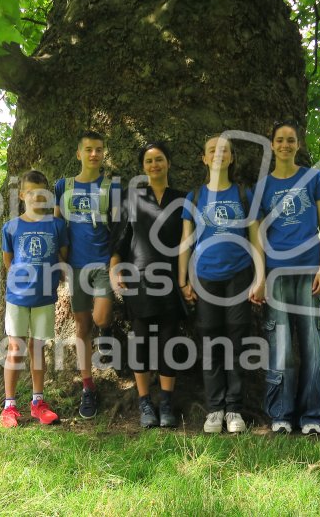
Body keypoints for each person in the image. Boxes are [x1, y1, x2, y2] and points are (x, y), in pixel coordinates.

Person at [178, 135, 265, 434]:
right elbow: (186, 242)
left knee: (237, 342)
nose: (218, 154)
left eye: (224, 150)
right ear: (204, 158)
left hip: (239, 276)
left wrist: (260, 277)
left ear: (231, 158)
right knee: (210, 342)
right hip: (204, 278)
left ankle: (235, 410)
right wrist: (183, 280)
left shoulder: (244, 194)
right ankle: (215, 409)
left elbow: (256, 239)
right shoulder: (194, 197)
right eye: (212, 150)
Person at [257, 120, 320, 435]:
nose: (286, 145)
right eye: (280, 140)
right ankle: (281, 414)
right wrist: (260, 277)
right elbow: (257, 236)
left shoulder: (313, 178)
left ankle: (311, 416)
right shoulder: (263, 187)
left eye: (291, 140)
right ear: (272, 145)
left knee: (313, 345)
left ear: (297, 145)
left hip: (310, 273)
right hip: (277, 275)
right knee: (282, 347)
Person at [109, 142, 187, 428]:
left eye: (159, 159)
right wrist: (114, 267)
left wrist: (187, 279)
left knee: (169, 342)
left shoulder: (182, 199)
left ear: (168, 163)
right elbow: (121, 237)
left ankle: (166, 402)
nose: (154, 165)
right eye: (149, 161)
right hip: (139, 278)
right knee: (140, 342)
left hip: (171, 279)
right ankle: (144, 403)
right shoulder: (132, 198)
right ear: (143, 167)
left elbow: (189, 242)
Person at [54, 130, 121, 419]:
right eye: (89, 149)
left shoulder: (111, 187)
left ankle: (106, 332)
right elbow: (57, 225)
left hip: (102, 264)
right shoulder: (63, 185)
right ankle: (88, 387)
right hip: (76, 267)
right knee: (82, 327)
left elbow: (119, 229)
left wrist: (116, 261)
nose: (95, 154)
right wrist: (59, 261)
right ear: (79, 154)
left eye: (99, 149)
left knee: (100, 318)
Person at [0, 170, 69, 428]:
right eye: (30, 193)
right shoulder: (12, 226)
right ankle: (9, 406)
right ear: (21, 195)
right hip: (17, 297)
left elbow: (61, 257)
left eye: (41, 193)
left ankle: (38, 402)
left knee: (37, 349)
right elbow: (9, 263)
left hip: (44, 296)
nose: (36, 198)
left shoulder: (57, 225)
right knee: (15, 349)